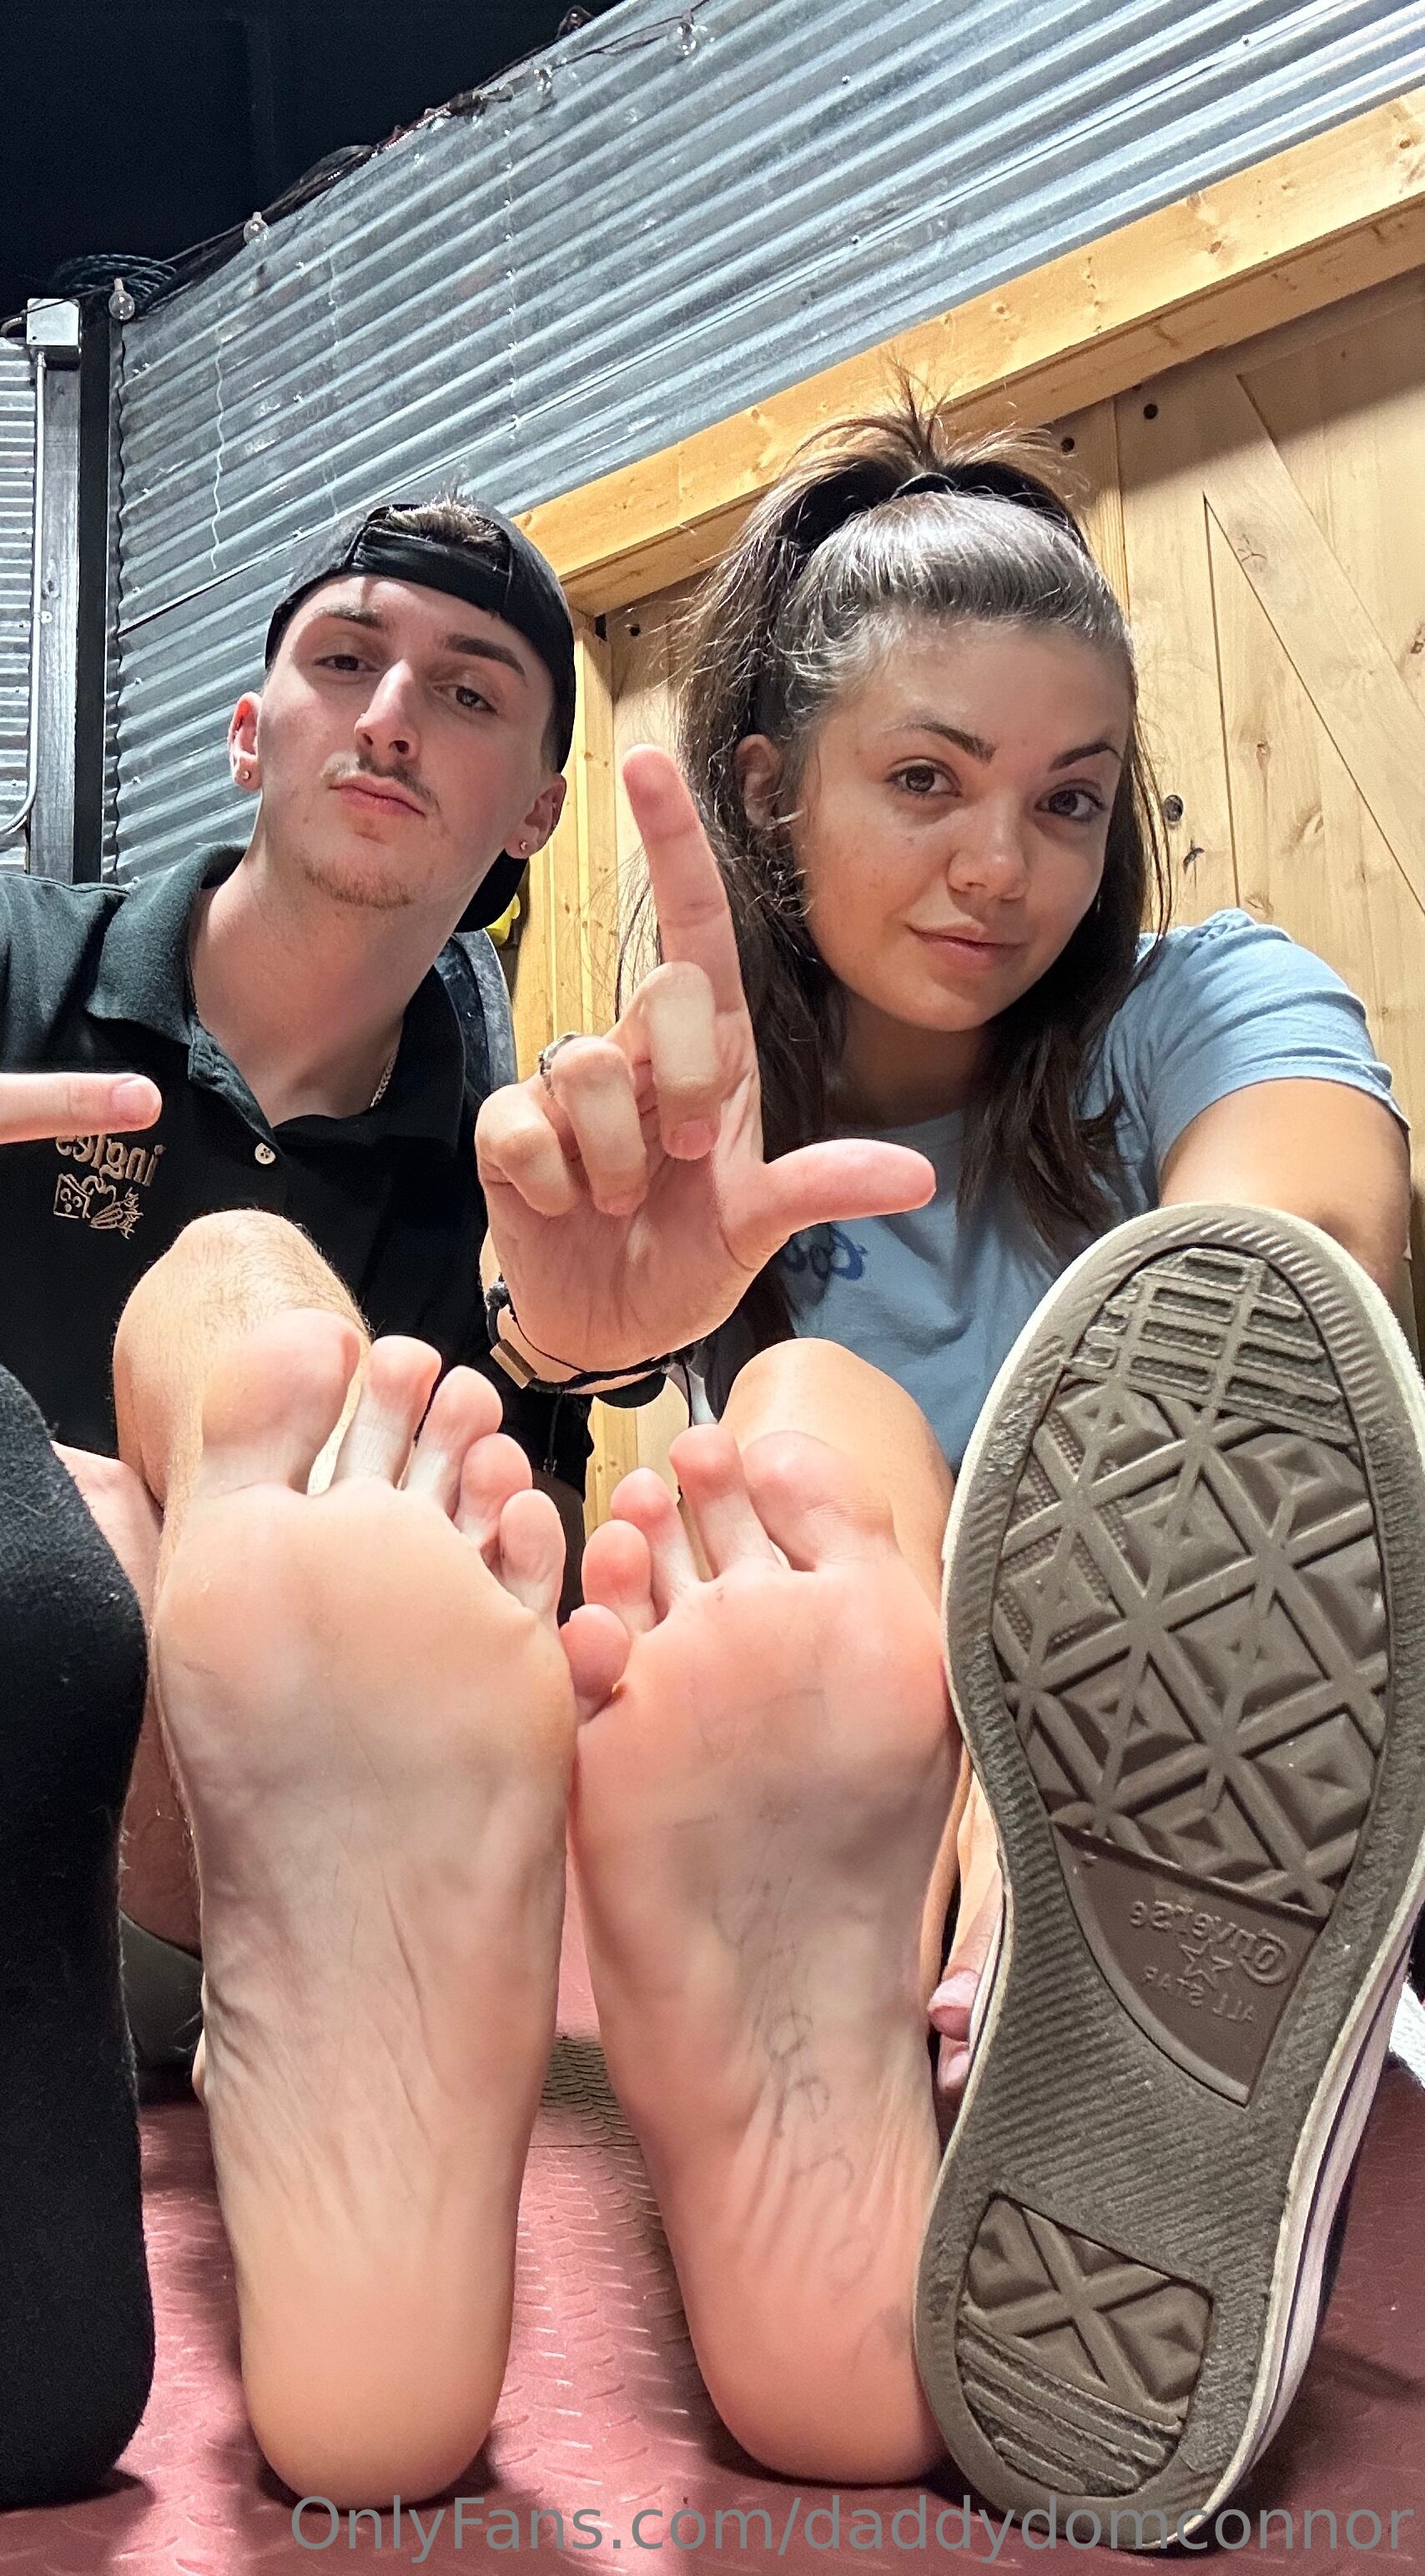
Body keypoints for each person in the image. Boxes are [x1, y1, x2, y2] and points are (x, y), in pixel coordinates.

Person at [0, 491, 930, 2512]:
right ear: (252, 728)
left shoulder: (527, 1144)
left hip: (238, 1833)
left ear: (535, 807)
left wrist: (569, 1337)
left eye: (470, 690)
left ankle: (192, 2072)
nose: (392, 710)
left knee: (254, 1307)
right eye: (346, 660)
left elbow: (494, 1597)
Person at [475, 396, 1425, 2532]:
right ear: (767, 791)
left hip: (1178, 1767)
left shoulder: (1204, 1000)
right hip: (875, 1786)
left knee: (1149, 1387)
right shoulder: (711, 1126)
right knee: (810, 1421)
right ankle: (870, 2116)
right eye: (928, 780)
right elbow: (546, 1339)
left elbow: (1288, 1257)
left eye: (1068, 798)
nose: (1008, 864)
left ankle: (1052, 1960)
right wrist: (571, 1326)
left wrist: (1064, 1727)